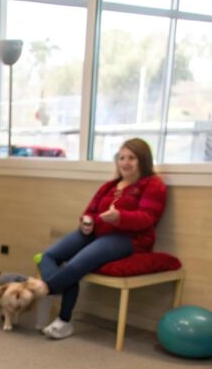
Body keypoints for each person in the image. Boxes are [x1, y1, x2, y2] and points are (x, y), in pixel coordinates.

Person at [38, 138, 167, 339]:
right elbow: (89, 211)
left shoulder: (153, 185)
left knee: (73, 266)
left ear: (143, 160)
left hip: (127, 239)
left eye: (131, 158)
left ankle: (51, 297)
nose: (125, 162)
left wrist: (120, 218)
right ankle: (58, 292)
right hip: (96, 232)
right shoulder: (110, 185)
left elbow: (148, 219)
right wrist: (86, 222)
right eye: (122, 158)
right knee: (49, 256)